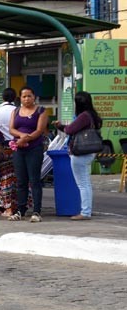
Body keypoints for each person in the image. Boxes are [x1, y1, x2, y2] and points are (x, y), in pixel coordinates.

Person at [54, 91, 102, 221]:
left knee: (83, 184)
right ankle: (87, 210)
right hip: (89, 152)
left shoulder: (84, 116)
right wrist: (62, 126)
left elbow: (70, 130)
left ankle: (85, 212)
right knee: (85, 183)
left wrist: (60, 126)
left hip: (80, 153)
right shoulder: (92, 115)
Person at [9, 86, 48, 223]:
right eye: (24, 96)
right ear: (20, 98)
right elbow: (11, 129)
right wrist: (21, 136)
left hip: (34, 149)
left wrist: (26, 138)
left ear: (34, 97)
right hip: (19, 149)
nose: (27, 99)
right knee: (21, 181)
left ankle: (37, 211)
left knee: (34, 180)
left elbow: (39, 130)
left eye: (29, 96)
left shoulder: (41, 111)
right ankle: (21, 210)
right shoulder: (16, 111)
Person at [0, 88, 18, 217]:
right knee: (17, 178)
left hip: (2, 149)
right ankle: (14, 206)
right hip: (18, 147)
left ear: (2, 97)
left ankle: (8, 208)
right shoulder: (18, 111)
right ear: (15, 98)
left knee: (5, 178)